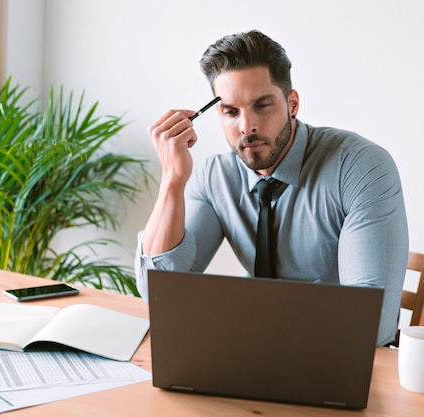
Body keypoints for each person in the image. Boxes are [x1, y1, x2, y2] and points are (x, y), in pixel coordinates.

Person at [135, 30, 408, 346]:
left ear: (292, 103)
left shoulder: (359, 167)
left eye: (262, 105)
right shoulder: (216, 177)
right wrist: (172, 179)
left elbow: (372, 325)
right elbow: (159, 291)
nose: (246, 126)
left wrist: (245, 321)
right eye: (231, 111)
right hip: (251, 353)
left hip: (335, 358)